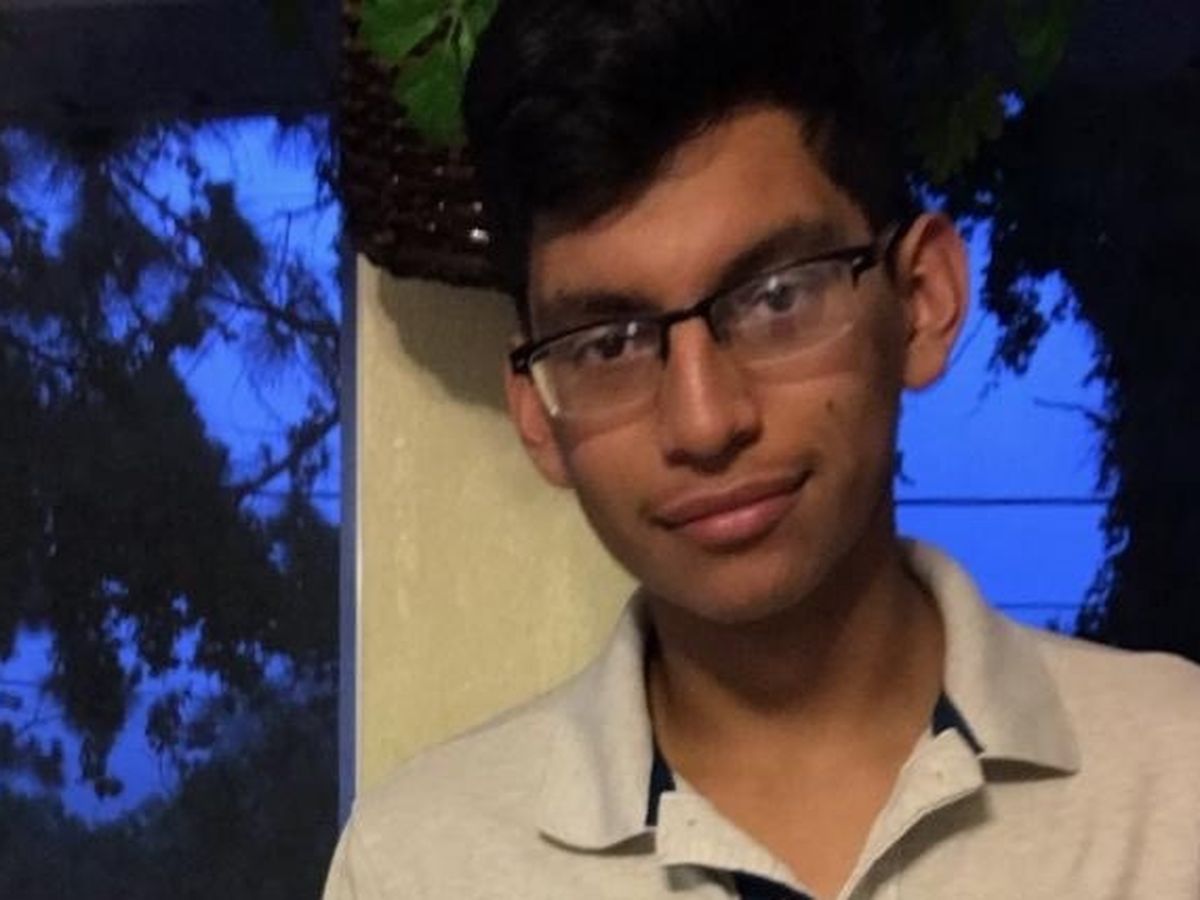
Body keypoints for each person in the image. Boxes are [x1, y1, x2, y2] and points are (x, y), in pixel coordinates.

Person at [324, 1, 1200, 897]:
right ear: (540, 414)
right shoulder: (418, 866)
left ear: (921, 300)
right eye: (609, 343)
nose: (705, 423)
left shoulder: (1177, 776)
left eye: (776, 299)